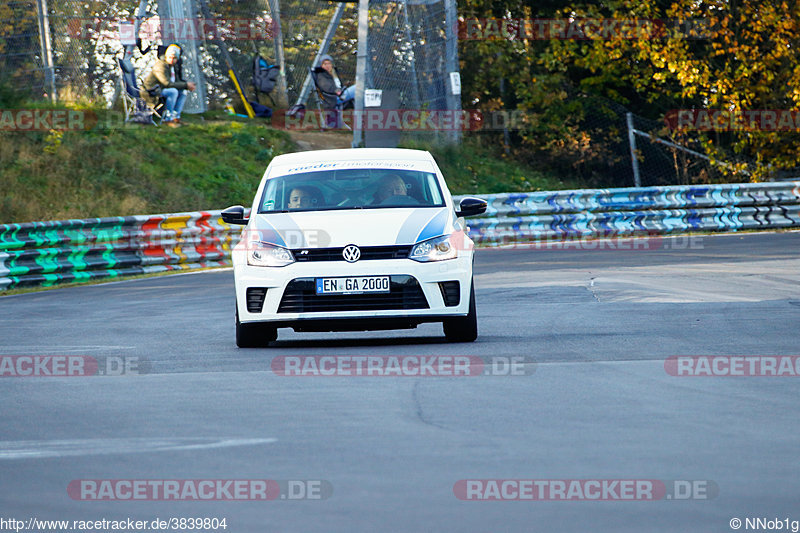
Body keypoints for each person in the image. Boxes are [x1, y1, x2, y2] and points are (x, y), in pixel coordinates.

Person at [142, 44, 196, 127]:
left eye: (174, 58)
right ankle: (167, 119)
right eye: (170, 57)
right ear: (166, 56)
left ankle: (175, 117)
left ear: (177, 59)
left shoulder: (173, 66)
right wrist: (186, 85)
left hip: (161, 89)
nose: (172, 60)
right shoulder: (160, 65)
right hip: (151, 91)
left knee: (183, 92)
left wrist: (187, 86)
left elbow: (177, 81)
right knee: (173, 92)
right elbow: (166, 83)